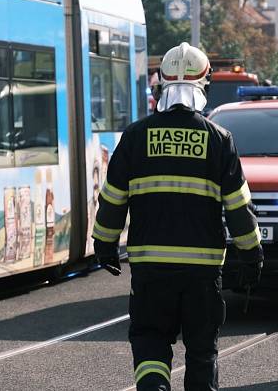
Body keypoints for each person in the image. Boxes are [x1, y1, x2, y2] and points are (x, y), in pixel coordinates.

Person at [93, 42, 263, 391]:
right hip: (202, 272)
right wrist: (251, 252)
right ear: (205, 86)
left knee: (151, 341)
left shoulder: (135, 136)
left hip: (150, 268)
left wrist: (104, 243)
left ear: (161, 86)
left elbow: (112, 199)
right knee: (201, 350)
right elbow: (238, 206)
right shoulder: (219, 139)